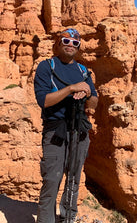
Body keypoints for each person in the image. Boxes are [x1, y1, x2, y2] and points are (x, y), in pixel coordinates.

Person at [34, 28, 98, 223]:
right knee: (52, 180)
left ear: (78, 48)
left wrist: (87, 94)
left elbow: (94, 103)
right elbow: (43, 100)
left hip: (79, 131)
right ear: (58, 43)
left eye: (75, 43)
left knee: (73, 180)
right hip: (55, 130)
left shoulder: (83, 71)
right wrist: (70, 89)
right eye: (66, 41)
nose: (70, 45)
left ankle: (68, 219)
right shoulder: (47, 67)